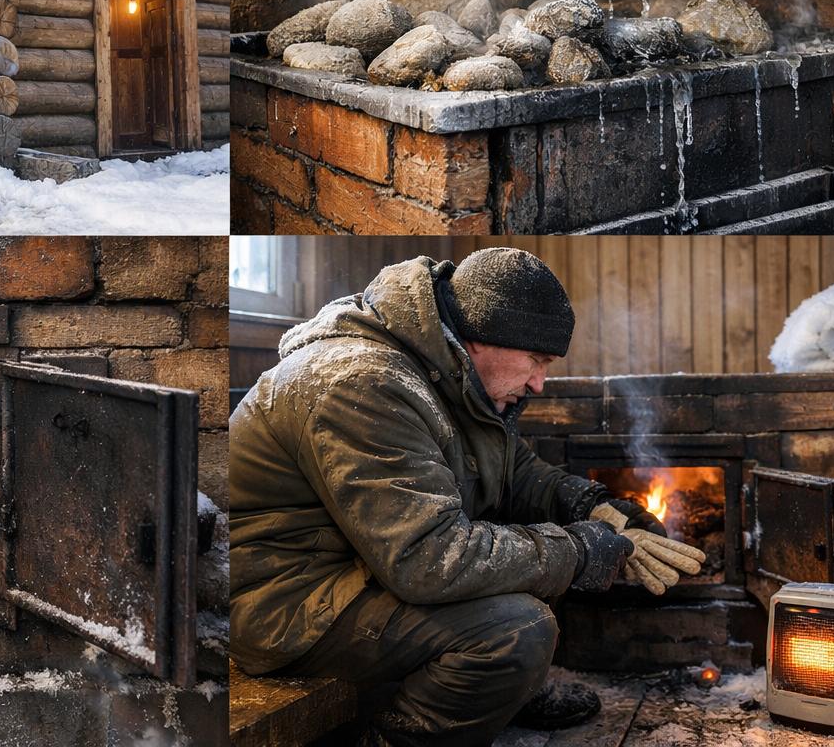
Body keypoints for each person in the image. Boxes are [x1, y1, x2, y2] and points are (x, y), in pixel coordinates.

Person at [229, 248, 704, 746]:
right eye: (536, 361)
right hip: (286, 602)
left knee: (531, 551)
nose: (540, 383)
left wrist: (592, 506)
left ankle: (502, 693)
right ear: (481, 338)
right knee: (515, 631)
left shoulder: (442, 371)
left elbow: (513, 471)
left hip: (355, 570)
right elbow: (428, 558)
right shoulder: (361, 384)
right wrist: (583, 549)